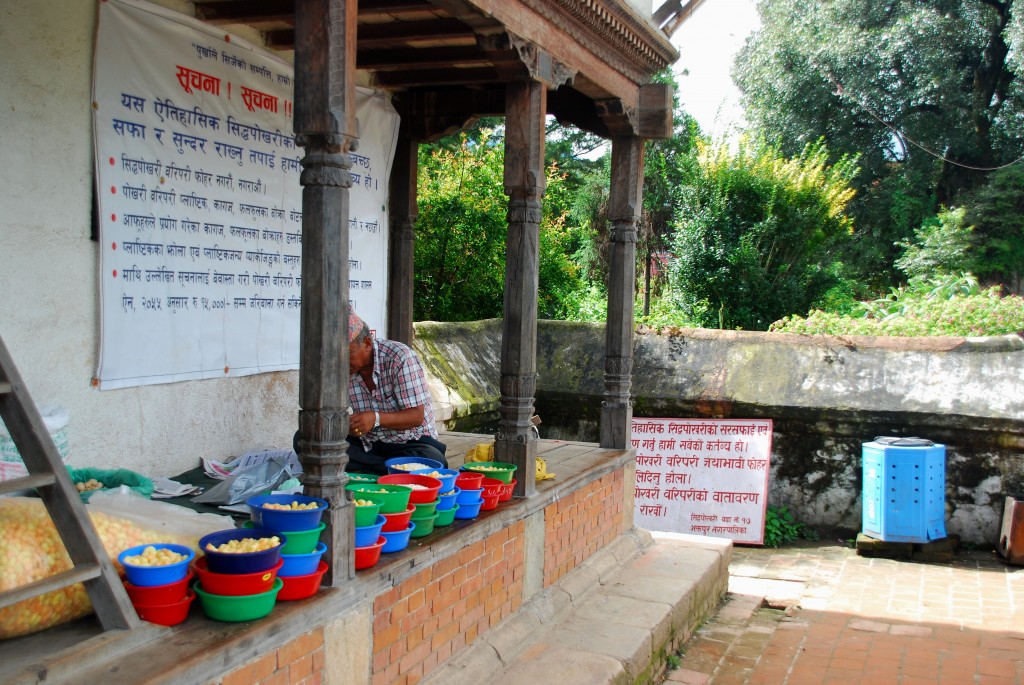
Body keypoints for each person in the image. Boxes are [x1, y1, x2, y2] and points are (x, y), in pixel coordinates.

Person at [342, 311, 447, 475]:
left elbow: (416, 416)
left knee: (432, 459)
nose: (341, 360)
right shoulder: (341, 369)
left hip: (411, 444)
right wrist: (349, 425)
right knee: (307, 440)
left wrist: (375, 418)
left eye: (347, 353)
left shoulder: (400, 357)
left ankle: (375, 470)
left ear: (367, 344)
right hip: (370, 445)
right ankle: (392, 470)